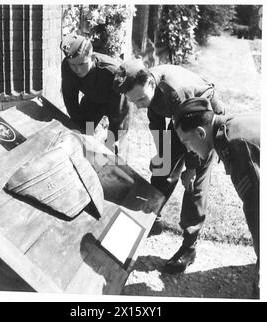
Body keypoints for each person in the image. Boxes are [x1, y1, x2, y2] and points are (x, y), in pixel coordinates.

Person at [113, 58, 226, 274]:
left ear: (151, 84)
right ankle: (152, 220)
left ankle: (189, 248)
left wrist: (191, 169)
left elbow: (193, 132)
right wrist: (162, 157)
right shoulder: (148, 88)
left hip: (203, 121)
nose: (138, 104)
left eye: (140, 99)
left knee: (194, 186)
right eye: (133, 101)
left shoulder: (174, 91)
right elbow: (156, 124)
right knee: (161, 170)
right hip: (180, 120)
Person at [173, 97, 260, 295]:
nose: (187, 148)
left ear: (201, 132)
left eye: (187, 141)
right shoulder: (227, 126)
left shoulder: (234, 145)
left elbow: (258, 209)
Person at [60, 33, 131, 152]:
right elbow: (70, 98)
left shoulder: (112, 72)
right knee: (83, 136)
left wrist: (112, 140)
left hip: (117, 104)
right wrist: (78, 123)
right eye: (73, 64)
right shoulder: (68, 67)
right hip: (92, 100)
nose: (77, 69)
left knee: (114, 148)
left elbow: (119, 113)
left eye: (82, 64)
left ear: (92, 58)